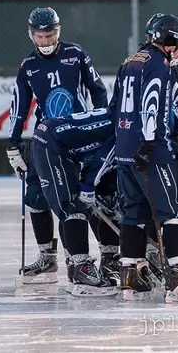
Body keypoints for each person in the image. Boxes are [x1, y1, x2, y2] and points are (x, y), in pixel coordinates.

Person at [108, 13, 178, 304]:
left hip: (123, 151)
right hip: (153, 151)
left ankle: (130, 274)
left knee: (133, 213)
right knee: (175, 210)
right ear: (165, 40)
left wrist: (127, 143)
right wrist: (150, 142)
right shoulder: (161, 64)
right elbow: (152, 103)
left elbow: (114, 108)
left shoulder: (129, 61)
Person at [6, 7, 108, 284]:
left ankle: (104, 255)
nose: (46, 42)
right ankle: (47, 258)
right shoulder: (28, 66)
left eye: (49, 35)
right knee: (35, 198)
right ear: (32, 35)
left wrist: (101, 125)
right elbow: (20, 106)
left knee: (81, 198)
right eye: (40, 37)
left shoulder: (76, 54)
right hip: (44, 139)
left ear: (58, 32)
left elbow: (98, 90)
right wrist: (13, 143)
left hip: (77, 136)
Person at [29, 107, 118, 296]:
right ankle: (82, 270)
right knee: (71, 207)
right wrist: (87, 185)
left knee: (83, 203)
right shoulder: (126, 129)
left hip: (55, 142)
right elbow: (104, 159)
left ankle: (80, 265)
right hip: (52, 144)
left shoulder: (122, 119)